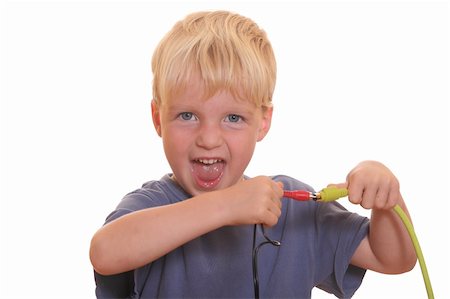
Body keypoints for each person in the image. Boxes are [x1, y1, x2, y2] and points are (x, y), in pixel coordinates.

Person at [89, 10, 416, 298]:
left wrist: (388, 198)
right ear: (158, 118)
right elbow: (105, 251)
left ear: (263, 122)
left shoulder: (291, 209)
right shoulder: (152, 206)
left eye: (233, 118)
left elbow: (393, 258)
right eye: (187, 115)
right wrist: (226, 206)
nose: (208, 138)